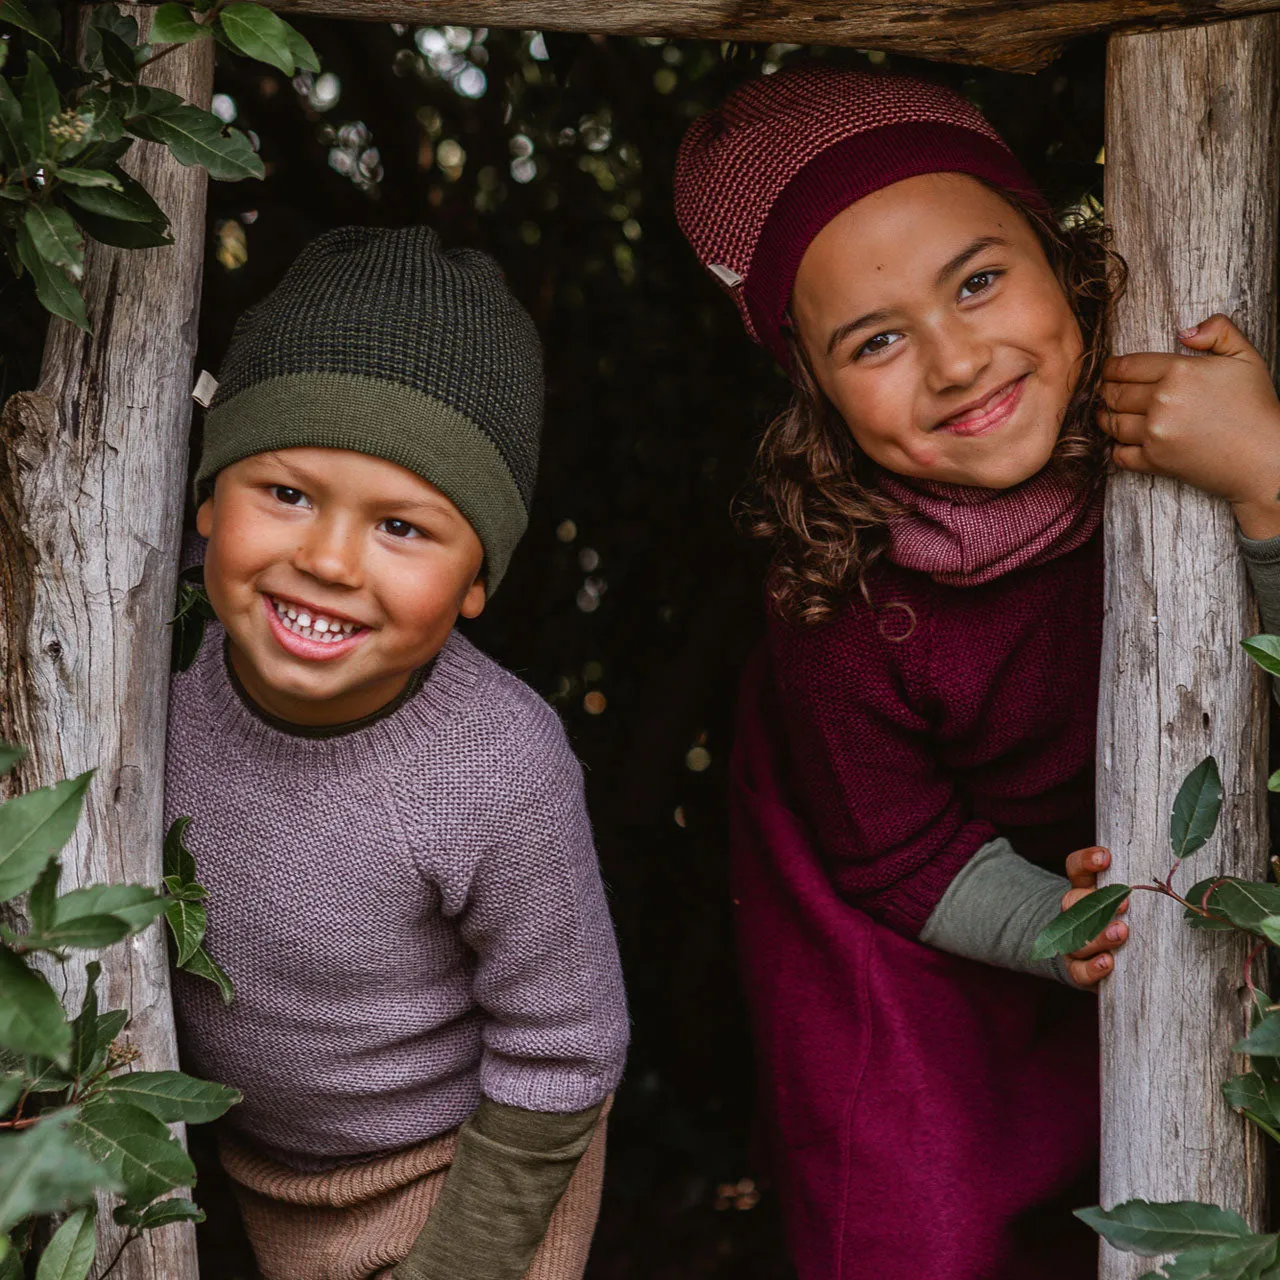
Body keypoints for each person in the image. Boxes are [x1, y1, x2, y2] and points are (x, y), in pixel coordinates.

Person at [673, 62, 1280, 1280]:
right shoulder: (835, 600)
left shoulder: (1186, 398)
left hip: (1133, 855)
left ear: (1062, 256)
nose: (954, 362)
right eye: (877, 340)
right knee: (917, 1214)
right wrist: (1042, 924)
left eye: (980, 280)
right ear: (812, 388)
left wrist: (1266, 474)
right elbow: (892, 849)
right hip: (899, 891)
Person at [164, 225, 630, 1280]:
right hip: (264, 1174)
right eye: (285, 492)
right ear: (205, 501)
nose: (326, 559)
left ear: (478, 579)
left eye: (403, 527)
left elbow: (566, 1046)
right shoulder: (148, 639)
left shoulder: (495, 762)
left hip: (474, 1179)